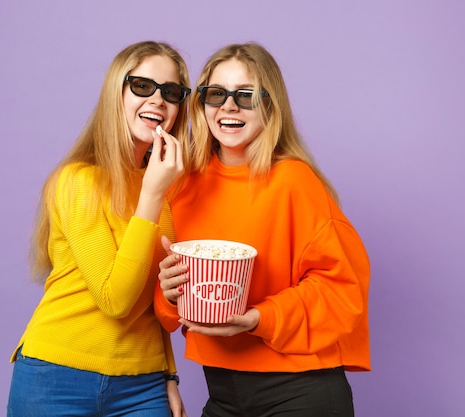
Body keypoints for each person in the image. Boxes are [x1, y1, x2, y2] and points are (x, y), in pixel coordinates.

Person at [155, 42, 371, 417]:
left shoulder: (294, 181)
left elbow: (343, 287)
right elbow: (167, 307)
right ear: (201, 102)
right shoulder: (181, 186)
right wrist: (170, 294)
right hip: (222, 391)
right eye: (217, 94)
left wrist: (260, 317)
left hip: (300, 390)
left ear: (271, 106)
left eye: (247, 96)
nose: (229, 107)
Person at [7, 41, 191, 417]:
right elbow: (116, 299)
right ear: (116, 93)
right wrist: (153, 194)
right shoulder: (77, 180)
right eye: (142, 86)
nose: (157, 100)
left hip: (143, 383)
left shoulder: (165, 186)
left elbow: (154, 292)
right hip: (55, 377)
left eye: (170, 92)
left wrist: (170, 376)